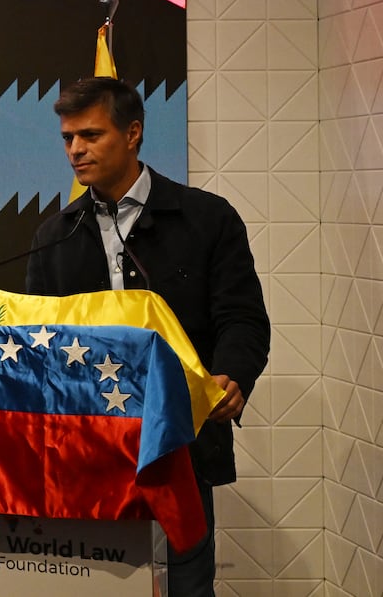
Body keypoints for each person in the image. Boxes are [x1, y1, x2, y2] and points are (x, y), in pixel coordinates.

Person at [25, 76, 270, 597]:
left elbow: (243, 318)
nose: (75, 150)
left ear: (133, 133)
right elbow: (36, 344)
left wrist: (233, 374)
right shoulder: (54, 236)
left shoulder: (207, 219)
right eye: (68, 138)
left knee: (186, 586)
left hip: (181, 444)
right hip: (88, 453)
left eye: (90, 135)